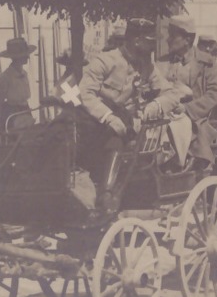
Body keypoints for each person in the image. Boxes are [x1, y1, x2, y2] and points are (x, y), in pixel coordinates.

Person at [77, 20, 181, 204]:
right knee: (115, 137)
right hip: (98, 128)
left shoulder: (147, 67)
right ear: (137, 40)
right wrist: (108, 117)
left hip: (130, 128)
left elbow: (171, 94)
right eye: (149, 41)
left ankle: (126, 197)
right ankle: (106, 194)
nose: (152, 46)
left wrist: (155, 105)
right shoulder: (105, 61)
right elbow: (84, 93)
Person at [157, 14, 217, 170]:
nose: (168, 39)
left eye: (172, 36)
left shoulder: (206, 63)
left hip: (197, 121)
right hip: (164, 117)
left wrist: (188, 109)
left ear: (187, 40)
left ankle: (181, 164)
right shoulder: (162, 63)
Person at [0, 37, 36, 134]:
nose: (28, 57)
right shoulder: (5, 77)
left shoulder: (24, 73)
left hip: (26, 111)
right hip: (12, 114)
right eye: (24, 55)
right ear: (16, 58)